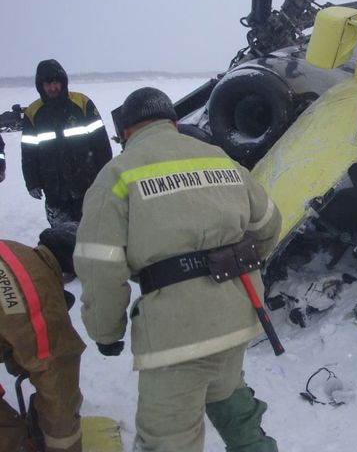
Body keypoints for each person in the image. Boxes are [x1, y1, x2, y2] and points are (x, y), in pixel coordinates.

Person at [73, 87, 282, 452]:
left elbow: (100, 269)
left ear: (126, 132)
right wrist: (243, 269)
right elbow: (268, 224)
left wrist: (106, 333)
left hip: (176, 336)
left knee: (169, 440)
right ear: (172, 122)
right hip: (238, 318)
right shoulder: (220, 159)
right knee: (228, 394)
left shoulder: (117, 176)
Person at [0, 223, 85, 452]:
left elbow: (9, 324)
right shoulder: (40, 299)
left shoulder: (14, 252)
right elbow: (58, 386)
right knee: (11, 440)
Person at [21, 59, 112, 226]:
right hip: (54, 190)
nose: (52, 88)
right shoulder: (33, 113)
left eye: (56, 82)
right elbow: (28, 152)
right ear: (40, 86)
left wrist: (107, 174)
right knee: (63, 239)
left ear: (63, 82)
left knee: (95, 230)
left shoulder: (82, 103)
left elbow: (101, 143)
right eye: (47, 84)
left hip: (87, 184)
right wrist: (32, 182)